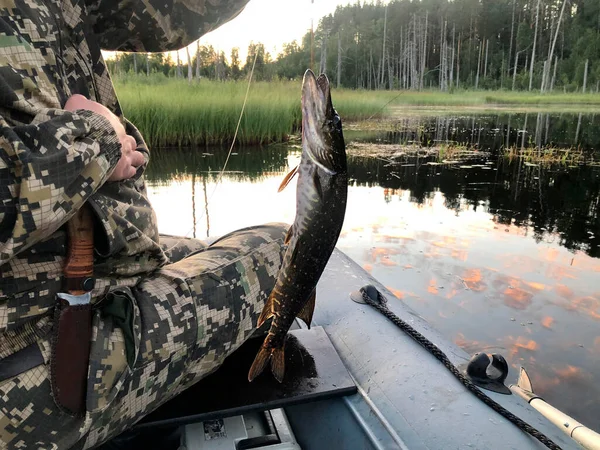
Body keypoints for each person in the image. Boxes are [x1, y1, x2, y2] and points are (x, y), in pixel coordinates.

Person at [0, 0, 288, 448]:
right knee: (282, 246)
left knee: (203, 246)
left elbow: (166, 15)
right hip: (39, 348)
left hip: (98, 266)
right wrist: (95, 139)